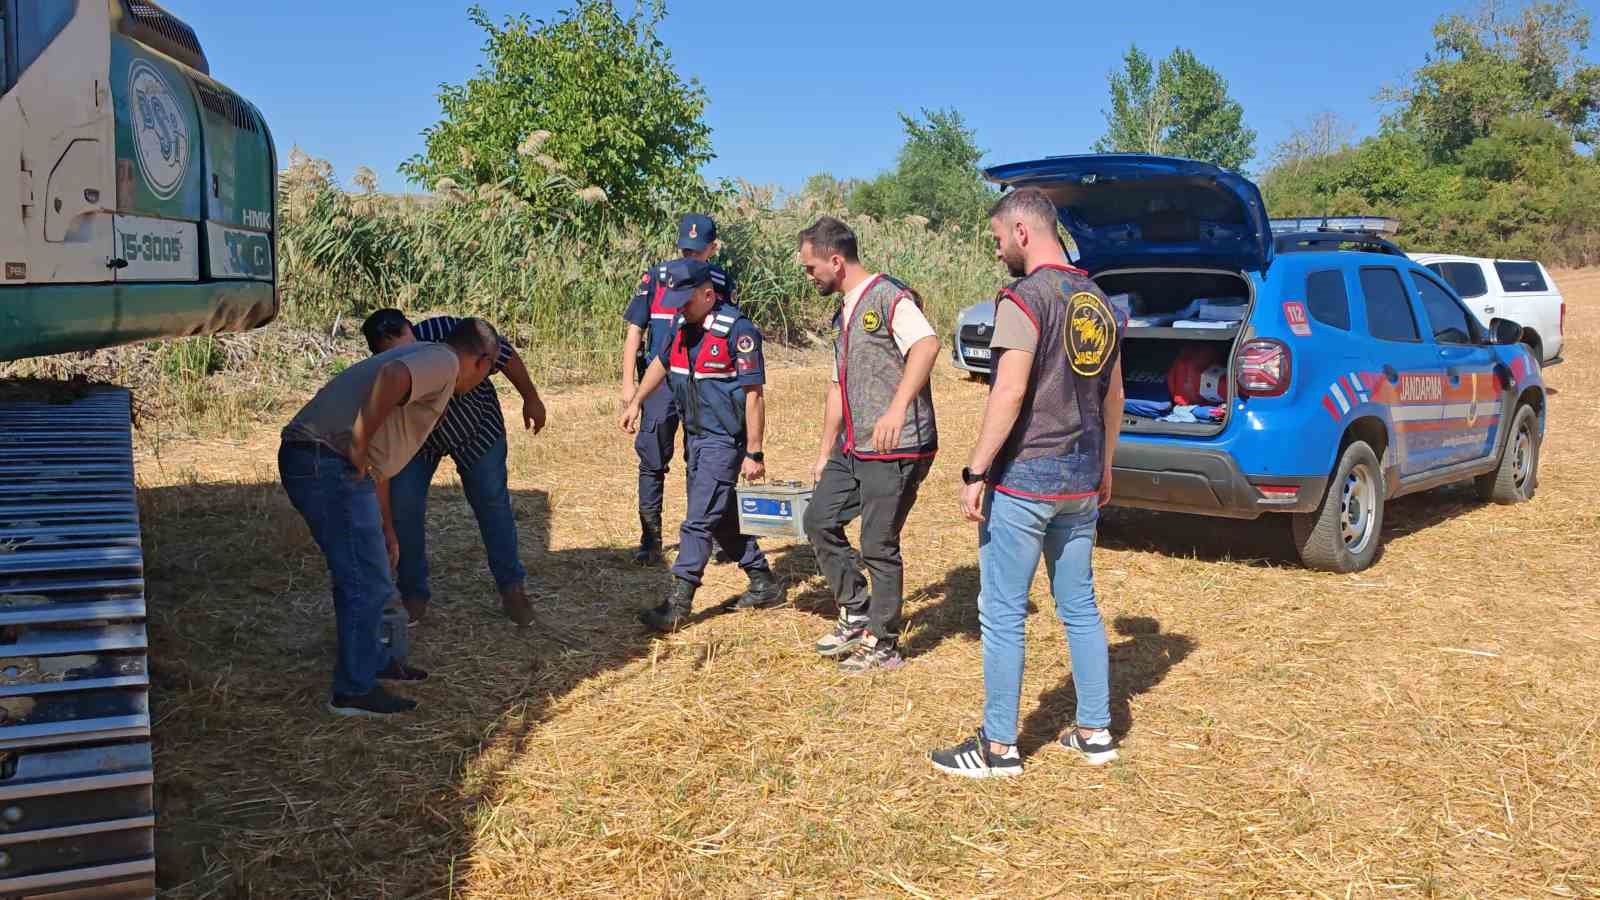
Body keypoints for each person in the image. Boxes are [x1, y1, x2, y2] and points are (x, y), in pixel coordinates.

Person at [929, 188, 1127, 777]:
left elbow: (1010, 391)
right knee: (1080, 607)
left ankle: (998, 748)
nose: (997, 251)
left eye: (997, 239)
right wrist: (1105, 465)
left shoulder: (1025, 299)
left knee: (1003, 613)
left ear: (1022, 231)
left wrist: (976, 469)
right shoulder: (1101, 302)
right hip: (1081, 480)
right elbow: (1114, 396)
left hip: (1025, 480)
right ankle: (1095, 732)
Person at [279, 318, 500, 717]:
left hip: (326, 461)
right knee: (364, 579)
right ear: (482, 361)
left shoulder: (430, 359)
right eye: (489, 371)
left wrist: (386, 526)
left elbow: (377, 464)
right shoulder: (444, 362)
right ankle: (353, 690)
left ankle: (372, 662)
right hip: (325, 460)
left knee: (370, 574)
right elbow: (392, 376)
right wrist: (358, 441)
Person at [796, 217, 939, 673]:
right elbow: (838, 385)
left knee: (877, 543)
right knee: (819, 520)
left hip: (898, 446)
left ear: (836, 261)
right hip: (854, 446)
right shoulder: (842, 313)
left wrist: (897, 409)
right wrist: (825, 452)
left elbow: (927, 345)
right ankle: (856, 611)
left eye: (811, 267)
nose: (809, 276)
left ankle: (884, 644)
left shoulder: (889, 297)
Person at [618, 257, 782, 631]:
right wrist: (637, 400)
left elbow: (754, 395)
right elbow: (660, 363)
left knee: (697, 520)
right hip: (695, 437)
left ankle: (678, 602)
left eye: (685, 302)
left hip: (723, 441)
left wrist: (754, 452)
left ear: (708, 295)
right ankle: (763, 581)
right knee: (720, 516)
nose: (678, 309)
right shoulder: (681, 326)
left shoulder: (737, 331)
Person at [359, 309, 548, 627]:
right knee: (404, 509)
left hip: (478, 430)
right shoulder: (387, 373)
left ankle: (512, 587)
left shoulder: (451, 333)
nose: (408, 358)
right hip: (418, 445)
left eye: (409, 347)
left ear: (412, 330)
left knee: (492, 502)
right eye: (394, 356)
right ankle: (413, 595)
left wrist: (531, 397)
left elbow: (504, 354)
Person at [621, 214, 736, 566]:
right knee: (652, 458)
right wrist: (629, 384)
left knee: (701, 459)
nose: (690, 255)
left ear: (713, 249)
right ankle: (650, 539)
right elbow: (635, 330)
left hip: (702, 384)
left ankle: (704, 536)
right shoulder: (657, 277)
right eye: (686, 249)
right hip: (660, 382)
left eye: (697, 251)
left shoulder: (720, 281)